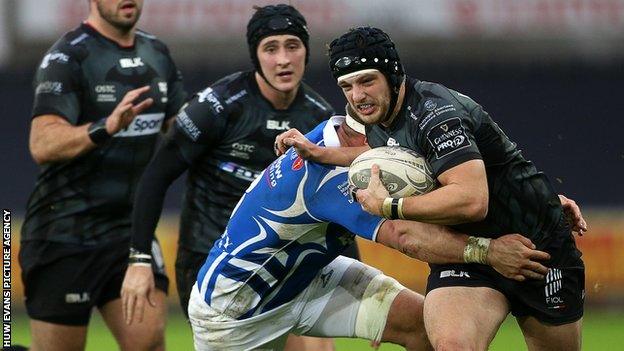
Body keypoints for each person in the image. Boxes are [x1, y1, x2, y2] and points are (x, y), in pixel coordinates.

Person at [276, 26, 588, 351]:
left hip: (534, 247)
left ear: (394, 75)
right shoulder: (379, 114)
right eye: (347, 86)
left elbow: (472, 200)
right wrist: (321, 153)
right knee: (452, 345)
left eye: (367, 81)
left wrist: (389, 206)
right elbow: (390, 152)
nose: (357, 96)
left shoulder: (436, 114)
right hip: (465, 251)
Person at [186, 112, 558, 350]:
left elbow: (450, 182)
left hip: (307, 275)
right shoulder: (333, 177)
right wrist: (488, 252)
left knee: (427, 329)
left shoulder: (339, 139)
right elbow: (404, 236)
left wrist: (541, 202)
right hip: (235, 312)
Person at [120, 3, 346, 350]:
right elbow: (155, 176)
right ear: (256, 56)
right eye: (271, 49)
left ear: (306, 50)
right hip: (210, 262)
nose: (283, 59)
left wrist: (354, 279)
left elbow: (334, 209)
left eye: (292, 45)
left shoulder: (318, 117)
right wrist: (139, 260)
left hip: (279, 263)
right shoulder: (219, 106)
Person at [19, 1, 186, 350]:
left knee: (148, 340)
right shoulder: (67, 58)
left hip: (128, 233)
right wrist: (105, 127)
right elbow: (43, 142)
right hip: (64, 233)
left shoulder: (157, 53)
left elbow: (182, 131)